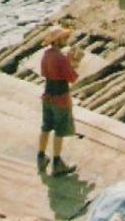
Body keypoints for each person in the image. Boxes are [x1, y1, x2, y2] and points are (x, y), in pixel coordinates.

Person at [37, 26, 83, 176]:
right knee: (60, 129)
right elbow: (72, 77)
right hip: (61, 98)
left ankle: (41, 156)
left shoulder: (46, 55)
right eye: (64, 38)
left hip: (48, 95)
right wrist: (74, 63)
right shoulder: (60, 58)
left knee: (46, 127)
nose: (66, 40)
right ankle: (57, 163)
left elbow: (44, 73)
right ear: (57, 41)